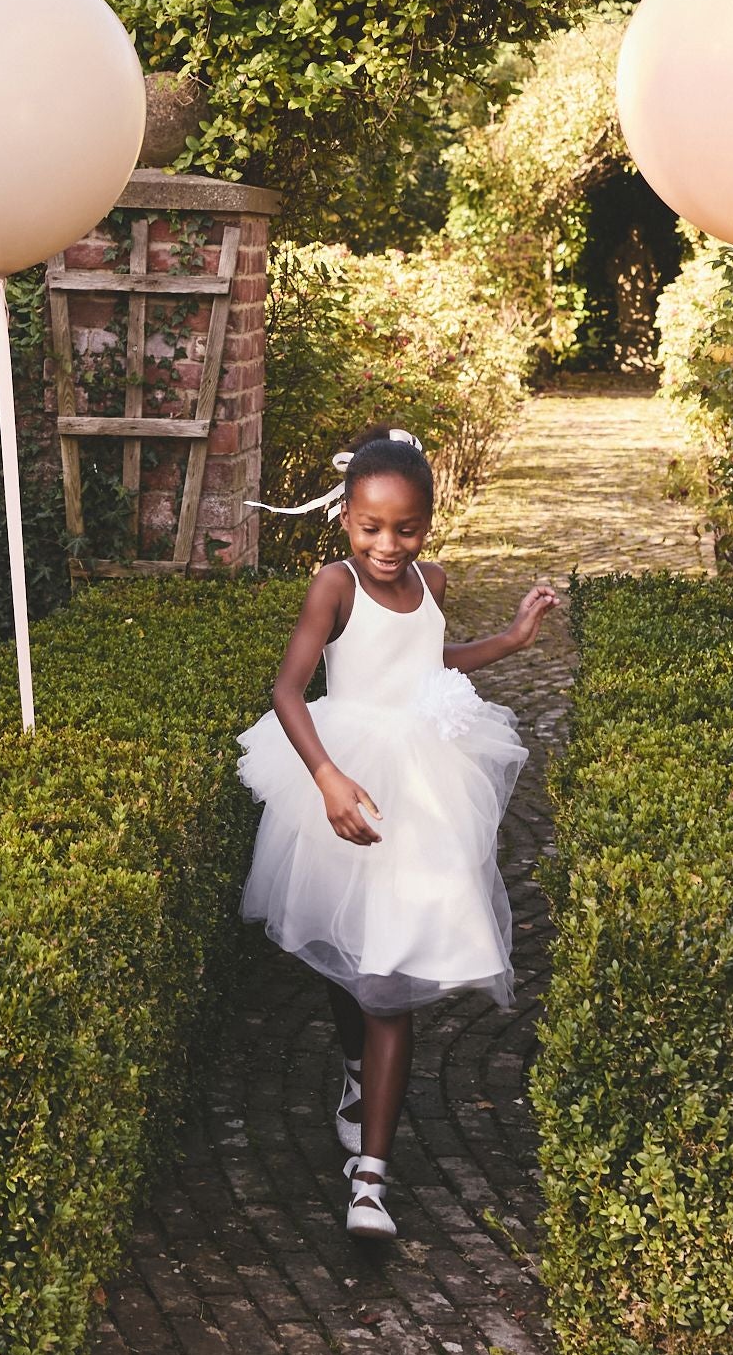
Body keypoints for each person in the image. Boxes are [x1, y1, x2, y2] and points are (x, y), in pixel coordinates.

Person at [237, 425, 561, 1240]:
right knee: (347, 961)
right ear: (347, 519)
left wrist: (514, 639)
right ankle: (354, 1074)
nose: (389, 544)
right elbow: (287, 690)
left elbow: (431, 660)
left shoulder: (435, 580)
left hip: (419, 792)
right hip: (343, 775)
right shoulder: (333, 585)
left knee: (388, 984)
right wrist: (327, 778)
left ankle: (370, 1180)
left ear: (428, 522)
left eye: (406, 528)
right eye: (371, 527)